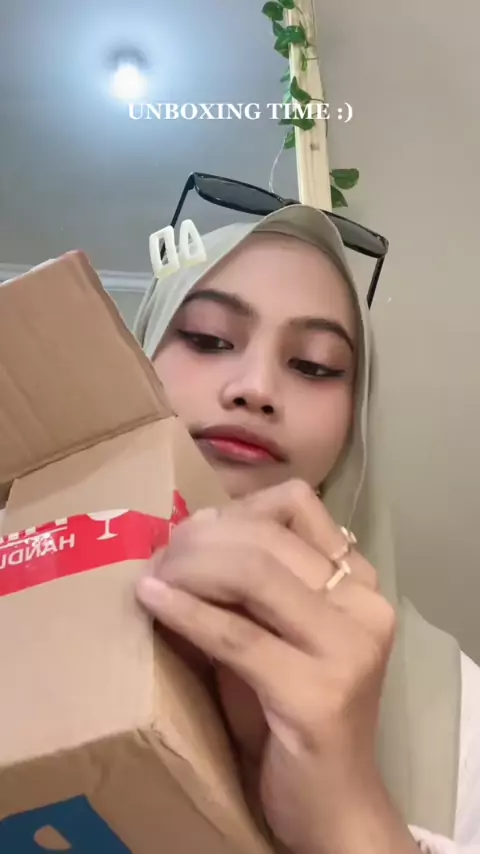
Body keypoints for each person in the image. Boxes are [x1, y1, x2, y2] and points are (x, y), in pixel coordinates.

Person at [133, 205, 480, 854]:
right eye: (208, 338)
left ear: (352, 428)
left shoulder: (455, 701)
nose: (256, 388)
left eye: (316, 366)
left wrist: (351, 818)